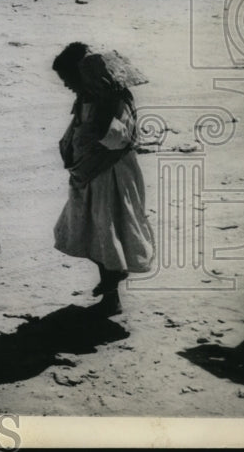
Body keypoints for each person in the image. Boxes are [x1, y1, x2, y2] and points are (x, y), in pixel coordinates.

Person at [52, 42, 155, 316]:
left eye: (68, 80)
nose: (67, 86)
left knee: (108, 229)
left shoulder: (114, 100)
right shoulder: (86, 98)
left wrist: (94, 132)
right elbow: (76, 130)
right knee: (98, 231)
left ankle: (112, 291)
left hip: (111, 175)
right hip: (89, 174)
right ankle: (110, 286)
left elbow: (120, 138)